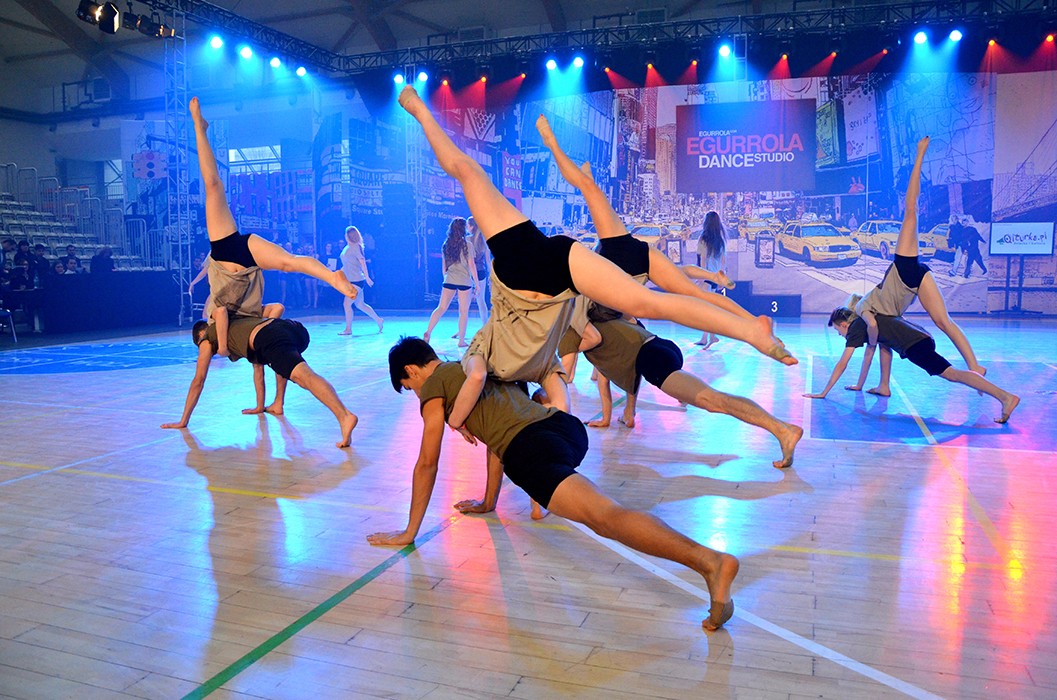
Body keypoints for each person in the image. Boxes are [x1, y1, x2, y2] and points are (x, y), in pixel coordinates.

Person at [395, 86, 793, 435]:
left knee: (650, 303)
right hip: (545, 260)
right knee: (649, 302)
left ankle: (752, 331)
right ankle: (751, 330)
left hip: (526, 269)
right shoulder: (519, 364)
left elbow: (495, 380)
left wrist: (457, 421)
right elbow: (555, 394)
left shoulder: (493, 362)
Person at [370, 337, 739, 631]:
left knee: (606, 517)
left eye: (409, 386)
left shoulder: (435, 387)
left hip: (530, 448)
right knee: (599, 513)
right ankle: (707, 563)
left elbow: (427, 462)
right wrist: (488, 501)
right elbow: (496, 439)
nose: (415, 393)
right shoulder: (472, 366)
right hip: (563, 430)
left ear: (411, 371)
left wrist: (409, 531)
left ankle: (709, 561)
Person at [189, 97, 358, 325]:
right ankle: (332, 278)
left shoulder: (216, 323)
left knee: (213, 185)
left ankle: (199, 128)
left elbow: (214, 319)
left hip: (223, 251)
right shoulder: (247, 325)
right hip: (246, 260)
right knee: (289, 262)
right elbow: (273, 310)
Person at [558, 318, 802, 467]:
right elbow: (609, 374)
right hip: (662, 347)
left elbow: (565, 377)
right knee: (712, 399)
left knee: (714, 400)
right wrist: (613, 416)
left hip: (653, 359)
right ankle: (782, 430)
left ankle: (783, 430)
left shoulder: (571, 333)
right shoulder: (598, 321)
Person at [852, 137, 986, 375]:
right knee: (943, 321)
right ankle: (974, 366)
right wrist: (882, 384)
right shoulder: (878, 315)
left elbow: (873, 332)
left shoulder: (865, 306)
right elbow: (884, 346)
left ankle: (920, 154)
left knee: (910, 210)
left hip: (905, 267)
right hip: (914, 281)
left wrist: (920, 154)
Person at [806, 302, 1019, 423]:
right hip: (921, 337)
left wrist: (824, 392)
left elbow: (843, 363)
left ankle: (1005, 397)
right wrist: (860, 385)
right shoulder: (866, 322)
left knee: (953, 375)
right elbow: (874, 352)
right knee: (885, 346)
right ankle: (884, 387)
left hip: (915, 344)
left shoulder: (856, 328)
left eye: (838, 330)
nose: (839, 334)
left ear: (844, 324)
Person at [162, 316, 358, 447]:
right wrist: (260, 405)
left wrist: (184, 420)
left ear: (200, 335)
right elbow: (259, 369)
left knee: (304, 376)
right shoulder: (237, 324)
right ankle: (278, 403)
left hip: (270, 336)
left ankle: (344, 416)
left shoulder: (208, 337)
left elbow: (198, 380)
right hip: (292, 329)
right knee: (282, 365)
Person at [423, 217, 478, 346]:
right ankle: (461, 340)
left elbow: (444, 267)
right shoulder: (468, 245)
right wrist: (476, 283)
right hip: (464, 281)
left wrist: (446, 278)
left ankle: (428, 331)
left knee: (441, 308)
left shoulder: (446, 244)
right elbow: (472, 265)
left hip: (449, 279)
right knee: (463, 311)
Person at [339, 225, 384, 335]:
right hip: (350, 280)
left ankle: (348, 329)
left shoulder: (356, 247)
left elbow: (362, 262)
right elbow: (347, 264)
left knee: (347, 304)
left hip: (356, 280)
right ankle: (378, 320)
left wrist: (367, 277)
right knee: (360, 304)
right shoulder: (347, 248)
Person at [694, 212, 730, 348]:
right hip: (715, 277)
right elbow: (723, 262)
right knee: (708, 309)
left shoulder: (703, 239)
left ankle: (711, 337)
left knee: (705, 310)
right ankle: (708, 337)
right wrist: (722, 279)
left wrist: (701, 277)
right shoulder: (721, 241)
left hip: (707, 277)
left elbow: (702, 260)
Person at [467, 216, 490, 323]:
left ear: (471, 227)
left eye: (468, 226)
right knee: (481, 301)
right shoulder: (484, 240)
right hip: (481, 273)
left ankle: (462, 328)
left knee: (465, 303)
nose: (467, 228)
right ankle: (485, 324)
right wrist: (490, 275)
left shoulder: (467, 240)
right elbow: (488, 261)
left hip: (468, 273)